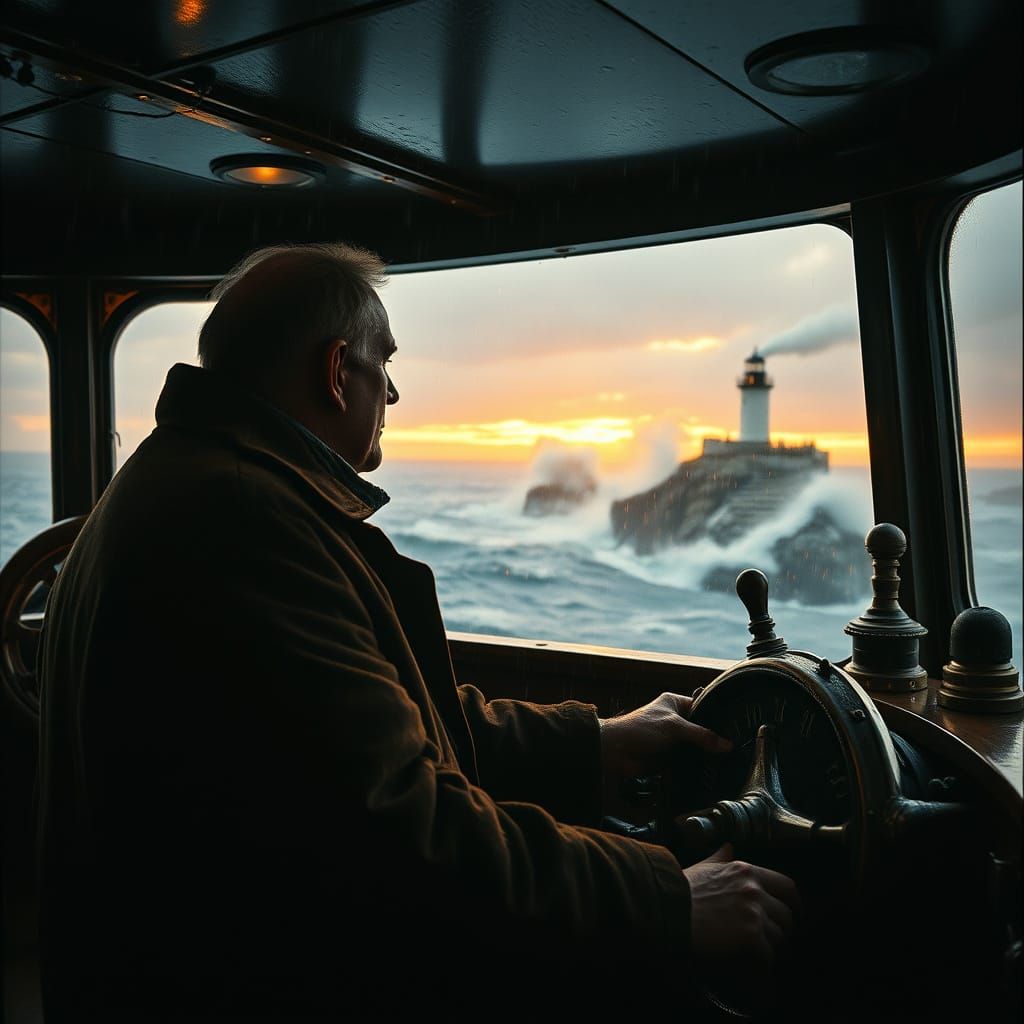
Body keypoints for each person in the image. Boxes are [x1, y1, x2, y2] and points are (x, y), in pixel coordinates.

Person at [38, 243, 799, 1019]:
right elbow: (402, 829)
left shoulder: (186, 482)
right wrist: (665, 895)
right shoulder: (245, 522)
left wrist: (594, 741)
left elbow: (363, 734)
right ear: (338, 371)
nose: (394, 390)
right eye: (384, 363)